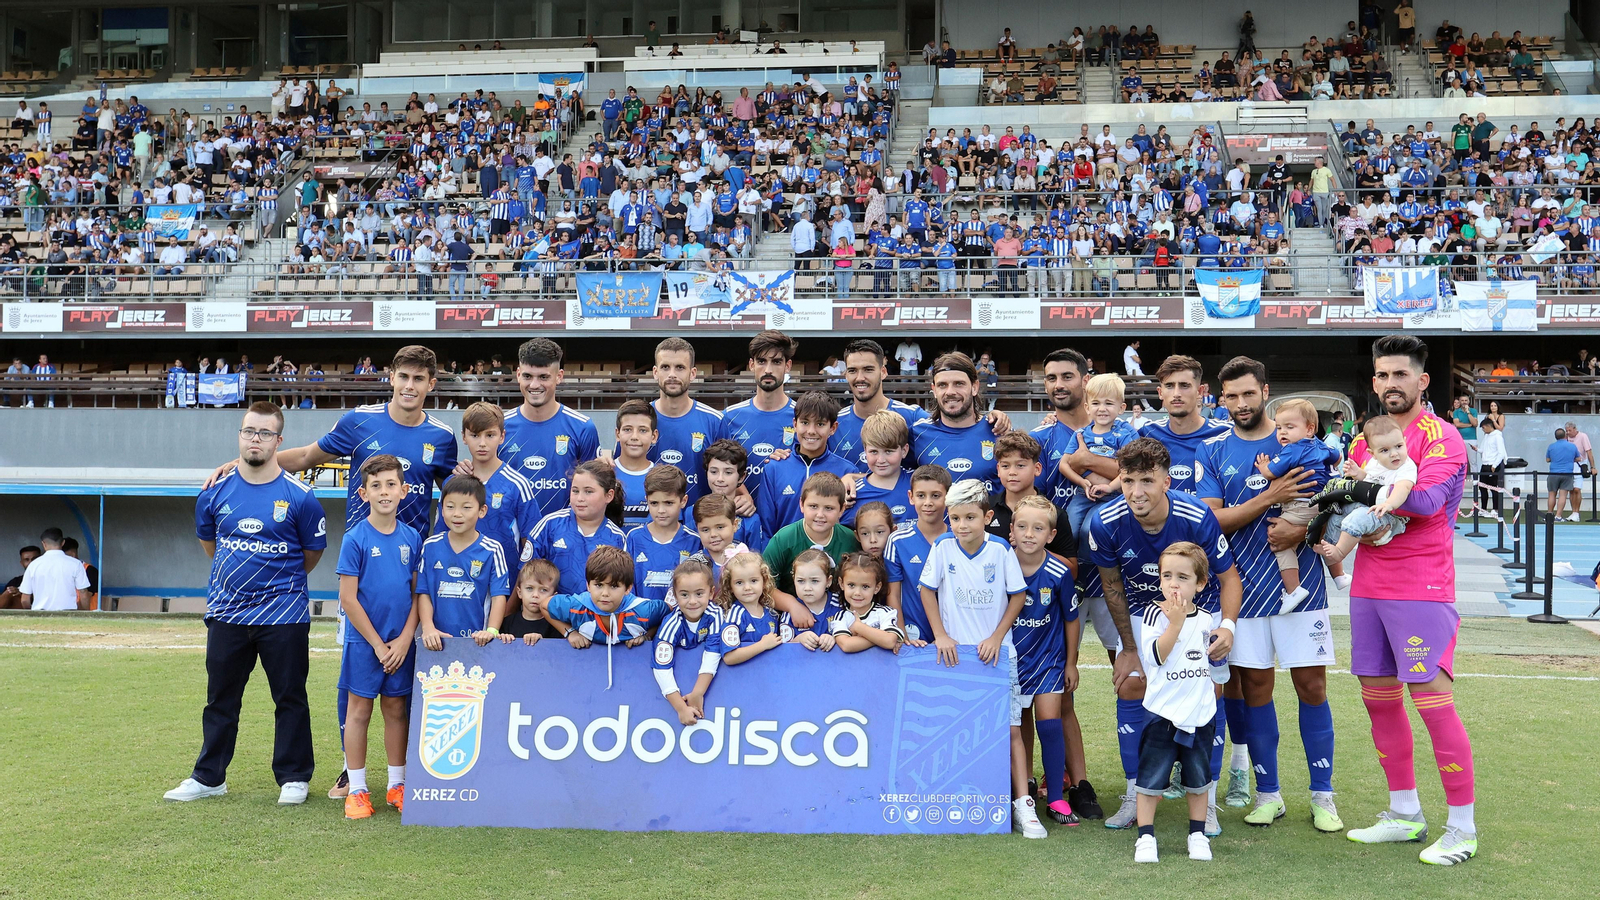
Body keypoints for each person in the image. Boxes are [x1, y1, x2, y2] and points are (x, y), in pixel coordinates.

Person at [1340, 335, 1477, 865]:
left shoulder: (1442, 439)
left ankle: (1462, 828)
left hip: (1421, 585)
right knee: (1378, 699)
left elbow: (1421, 501)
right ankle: (1403, 814)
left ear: (1421, 381)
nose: (1391, 384)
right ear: (1374, 382)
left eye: (1401, 375)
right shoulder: (1364, 442)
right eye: (1382, 375)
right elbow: (1356, 504)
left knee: (1432, 702)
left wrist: (1354, 493)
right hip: (1369, 584)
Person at [1198, 360, 1339, 831]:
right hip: (1242, 588)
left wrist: (1302, 528)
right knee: (1256, 689)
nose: (1240, 404)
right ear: (1221, 399)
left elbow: (1336, 496)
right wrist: (1268, 496)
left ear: (1265, 391)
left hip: (1302, 586)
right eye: (1231, 396)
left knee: (1311, 687)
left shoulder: (1301, 442)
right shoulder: (1214, 450)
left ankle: (1324, 796)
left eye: (1248, 394)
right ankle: (1269, 793)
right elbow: (1210, 522)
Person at [165, 402, 327, 806]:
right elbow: (212, 546)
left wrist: (275, 584)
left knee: (289, 696)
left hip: (283, 613)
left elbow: (311, 554)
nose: (256, 439)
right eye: (250, 431)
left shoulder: (302, 497)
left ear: (278, 440)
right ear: (239, 435)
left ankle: (294, 777)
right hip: (227, 613)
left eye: (265, 433)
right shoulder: (214, 492)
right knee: (221, 698)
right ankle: (208, 777)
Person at [1088, 438, 1241, 835]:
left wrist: (1227, 625)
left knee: (1209, 694)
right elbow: (1112, 586)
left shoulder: (1195, 516)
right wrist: (1130, 648)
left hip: (1196, 614)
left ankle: (1203, 801)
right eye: (1127, 481)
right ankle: (1133, 792)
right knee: (1130, 687)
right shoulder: (1105, 521)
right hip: (1142, 613)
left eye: (1146, 481)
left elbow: (1228, 578)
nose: (1136, 492)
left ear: (1166, 480)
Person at [918, 479, 1038, 837]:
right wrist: (940, 635)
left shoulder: (1001, 550)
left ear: (987, 516)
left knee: (1011, 729)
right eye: (954, 518)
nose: (962, 525)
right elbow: (927, 591)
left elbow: (1017, 596)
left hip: (998, 654)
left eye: (970, 517)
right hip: (957, 655)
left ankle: (1022, 806)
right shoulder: (942, 547)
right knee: (954, 728)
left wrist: (997, 637)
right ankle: (958, 797)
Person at [334, 455, 422, 820]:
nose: (384, 492)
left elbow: (419, 595)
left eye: (390, 485)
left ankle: (397, 785)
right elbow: (348, 598)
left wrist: (403, 641)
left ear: (404, 491)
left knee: (396, 710)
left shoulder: (412, 538)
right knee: (358, 711)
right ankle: (357, 790)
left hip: (400, 644)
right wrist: (377, 644)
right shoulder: (355, 538)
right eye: (376, 485)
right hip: (365, 643)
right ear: (363, 492)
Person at [1132, 542, 1230, 864]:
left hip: (1200, 716)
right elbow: (1156, 657)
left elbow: (1218, 669)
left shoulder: (1207, 620)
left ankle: (1197, 834)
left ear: (1200, 584)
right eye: (1167, 575)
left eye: (1183, 577)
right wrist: (1174, 623)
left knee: (1199, 782)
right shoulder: (1153, 614)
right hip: (1161, 714)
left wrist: (1219, 657)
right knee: (1150, 781)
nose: (1173, 583)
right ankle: (1146, 838)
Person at [1009, 495, 1082, 826]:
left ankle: (1055, 796)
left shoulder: (1059, 571)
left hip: (1049, 660)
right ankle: (1022, 787)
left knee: (1049, 722)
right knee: (1018, 722)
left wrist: (1071, 662)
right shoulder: (1002, 563)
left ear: (1051, 535)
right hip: (1012, 660)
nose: (1028, 534)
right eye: (1022, 526)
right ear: (1011, 529)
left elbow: (1071, 618)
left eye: (1037, 528)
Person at [494, 339, 602, 522]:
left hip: (563, 540)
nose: (535, 385)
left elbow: (593, 488)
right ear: (518, 375)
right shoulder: (498, 426)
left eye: (543, 377)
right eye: (528, 376)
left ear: (559, 376)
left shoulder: (582, 427)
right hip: (510, 539)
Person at [1251, 398, 1342, 612]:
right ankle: (1339, 576)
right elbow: (1336, 458)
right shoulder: (1320, 445)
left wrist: (1263, 466)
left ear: (1310, 428)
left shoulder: (1292, 450)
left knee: (1281, 543)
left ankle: (1293, 590)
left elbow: (1271, 472)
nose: (1282, 433)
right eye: (1279, 427)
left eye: (1289, 427)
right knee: (1325, 539)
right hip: (1321, 502)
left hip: (1300, 505)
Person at [416, 475, 512, 649]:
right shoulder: (430, 546)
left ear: (482, 511)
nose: (457, 514)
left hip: (477, 642)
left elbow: (499, 596)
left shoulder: (492, 549)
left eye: (466, 507)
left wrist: (491, 631)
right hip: (436, 641)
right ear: (442, 509)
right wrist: (428, 627)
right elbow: (424, 592)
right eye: (450, 507)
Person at [1312, 417, 1417, 570]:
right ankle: (1330, 544)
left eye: (1398, 446)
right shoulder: (1375, 463)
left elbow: (1403, 488)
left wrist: (1388, 504)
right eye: (1385, 450)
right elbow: (1368, 480)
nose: (1394, 454)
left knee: (1357, 518)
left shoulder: (1406, 466)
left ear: (1405, 441)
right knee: (1338, 511)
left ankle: (1340, 552)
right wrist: (1358, 473)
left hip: (1390, 516)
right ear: (1372, 453)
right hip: (1369, 506)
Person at [754, 391, 855, 537]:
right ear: (795, 424)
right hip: (784, 557)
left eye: (820, 424)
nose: (811, 431)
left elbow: (847, 528)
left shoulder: (847, 471)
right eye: (805, 423)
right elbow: (766, 528)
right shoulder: (774, 468)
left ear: (833, 428)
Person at [524, 460, 629, 596]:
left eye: (588, 492)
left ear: (608, 495)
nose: (580, 498)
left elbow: (622, 588)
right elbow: (525, 574)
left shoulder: (617, 538)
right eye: (575, 491)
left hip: (595, 616)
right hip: (548, 613)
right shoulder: (549, 525)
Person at [544, 545, 666, 648]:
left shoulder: (644, 610)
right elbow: (544, 605)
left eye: (613, 586)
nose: (605, 593)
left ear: (628, 588)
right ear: (588, 585)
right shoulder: (576, 606)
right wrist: (570, 633)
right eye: (598, 585)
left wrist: (647, 635)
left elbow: (668, 613)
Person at [722, 331, 800, 491]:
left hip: (788, 514)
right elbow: (717, 469)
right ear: (752, 365)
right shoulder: (729, 417)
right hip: (742, 514)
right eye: (762, 361)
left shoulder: (802, 417)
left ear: (788, 366)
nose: (768, 370)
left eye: (776, 362)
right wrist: (740, 493)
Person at [652, 559, 727, 725]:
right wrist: (681, 708)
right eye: (684, 594)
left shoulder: (716, 615)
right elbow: (661, 668)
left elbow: (713, 653)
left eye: (699, 594)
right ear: (675, 594)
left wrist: (698, 692)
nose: (692, 601)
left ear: (711, 593)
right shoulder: (671, 624)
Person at [761, 472, 859, 598]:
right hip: (792, 612)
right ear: (802, 504)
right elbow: (765, 585)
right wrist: (791, 605)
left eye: (829, 508)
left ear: (841, 509)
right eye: (813, 506)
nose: (820, 514)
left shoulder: (850, 540)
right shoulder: (783, 539)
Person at [884, 465, 952, 647]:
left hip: (953, 635)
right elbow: (893, 594)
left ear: (948, 497)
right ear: (910, 497)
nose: (928, 502)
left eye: (936, 496)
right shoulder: (897, 540)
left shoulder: (958, 538)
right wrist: (902, 634)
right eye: (921, 495)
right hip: (914, 635)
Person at [624, 465, 699, 603]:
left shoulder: (695, 541)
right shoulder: (634, 538)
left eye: (668, 503)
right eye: (654, 503)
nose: (661, 510)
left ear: (683, 501)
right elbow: (625, 585)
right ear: (647, 500)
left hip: (680, 621)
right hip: (641, 621)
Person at [829, 552, 905, 653]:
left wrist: (860, 628)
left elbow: (889, 641)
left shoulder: (886, 612)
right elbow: (846, 645)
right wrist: (879, 639)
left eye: (865, 586)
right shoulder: (841, 616)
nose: (857, 593)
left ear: (877, 588)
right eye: (851, 585)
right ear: (841, 584)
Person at [720, 552, 787, 664]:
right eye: (739, 582)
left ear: (764, 581)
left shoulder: (772, 614)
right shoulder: (734, 616)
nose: (747, 587)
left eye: (753, 581)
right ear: (730, 586)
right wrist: (763, 645)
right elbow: (729, 657)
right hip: (745, 678)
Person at [16, 528, 90, 611]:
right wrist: (83, 614)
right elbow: (83, 593)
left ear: (43, 544)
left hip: (40, 615)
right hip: (69, 615)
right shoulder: (76, 564)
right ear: (63, 543)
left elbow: (25, 600)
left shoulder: (33, 565)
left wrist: (32, 613)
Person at [787, 550, 843, 650]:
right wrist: (799, 639)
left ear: (828, 581)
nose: (807, 588)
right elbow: (782, 650)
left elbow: (852, 637)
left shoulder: (840, 605)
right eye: (801, 581)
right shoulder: (790, 612)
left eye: (814, 581)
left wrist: (835, 639)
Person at [498, 559, 561, 643]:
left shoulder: (557, 626)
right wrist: (503, 640)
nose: (535, 595)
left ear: (553, 596)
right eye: (529, 588)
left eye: (543, 590)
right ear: (519, 592)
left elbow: (559, 652)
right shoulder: (506, 623)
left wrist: (543, 643)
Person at [1470, 416, 1507, 519]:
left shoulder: (1498, 436)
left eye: (1483, 428)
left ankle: (1496, 509)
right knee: (1482, 487)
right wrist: (1477, 449)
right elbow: (1485, 450)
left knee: (1494, 488)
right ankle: (1483, 509)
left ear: (1488, 426)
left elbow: (1501, 453)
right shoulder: (1487, 436)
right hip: (1485, 464)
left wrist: (1495, 465)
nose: (1483, 430)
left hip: (1493, 465)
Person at [1545, 428, 1580, 521]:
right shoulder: (1572, 446)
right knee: (1563, 495)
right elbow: (1578, 458)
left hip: (1553, 473)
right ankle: (1558, 516)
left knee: (1552, 494)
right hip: (1567, 473)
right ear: (1565, 436)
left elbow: (1547, 459)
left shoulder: (1551, 446)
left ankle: (1549, 514)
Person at [1563, 421, 1593, 522]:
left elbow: (1589, 451)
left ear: (1575, 429)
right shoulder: (1565, 438)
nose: (1568, 432)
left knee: (1577, 489)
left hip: (1580, 464)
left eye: (1570, 430)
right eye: (1566, 431)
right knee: (1571, 489)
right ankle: (1573, 512)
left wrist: (1593, 466)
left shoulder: (1583, 436)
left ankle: (1577, 512)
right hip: (1569, 465)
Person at [0, 545, 41, 610]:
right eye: (26, 560)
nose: (31, 563)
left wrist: (24, 593)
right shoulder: (15, 581)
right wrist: (10, 593)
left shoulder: (47, 579)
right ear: (21, 563)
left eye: (34, 559)